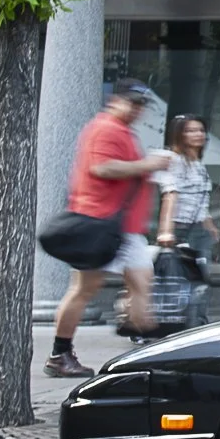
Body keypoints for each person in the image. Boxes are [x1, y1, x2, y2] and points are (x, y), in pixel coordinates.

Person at [43, 81, 173, 379]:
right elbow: (102, 168)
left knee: (141, 284)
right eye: (132, 103)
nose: (137, 110)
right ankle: (60, 354)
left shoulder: (122, 130)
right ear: (114, 101)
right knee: (83, 290)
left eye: (141, 105)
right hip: (102, 225)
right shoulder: (106, 128)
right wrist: (148, 165)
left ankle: (149, 349)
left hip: (121, 228)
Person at [154, 114, 220, 324]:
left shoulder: (198, 165)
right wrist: (166, 230)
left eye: (200, 130)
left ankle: (196, 322)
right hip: (179, 228)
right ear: (179, 134)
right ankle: (160, 322)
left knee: (199, 280)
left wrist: (210, 226)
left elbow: (201, 201)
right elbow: (170, 195)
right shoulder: (174, 161)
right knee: (174, 279)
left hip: (198, 230)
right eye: (190, 130)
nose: (198, 134)